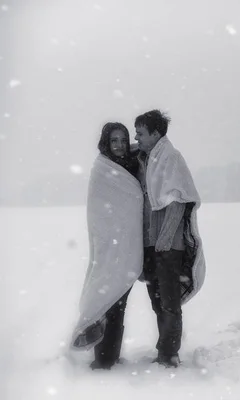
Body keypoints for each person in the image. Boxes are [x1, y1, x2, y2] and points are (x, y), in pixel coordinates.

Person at [134, 109, 206, 368]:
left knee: (169, 302)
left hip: (168, 245)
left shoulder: (170, 158)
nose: (136, 137)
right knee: (157, 300)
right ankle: (164, 349)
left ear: (156, 133)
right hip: (152, 244)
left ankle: (169, 354)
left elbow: (177, 201)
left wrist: (164, 242)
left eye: (141, 133)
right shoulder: (151, 157)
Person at [70, 122, 144, 370]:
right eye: (114, 141)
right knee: (107, 303)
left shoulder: (133, 165)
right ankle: (104, 359)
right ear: (105, 143)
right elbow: (98, 216)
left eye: (123, 140)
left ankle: (111, 355)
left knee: (119, 304)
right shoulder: (102, 170)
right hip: (108, 251)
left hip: (129, 249)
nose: (120, 145)